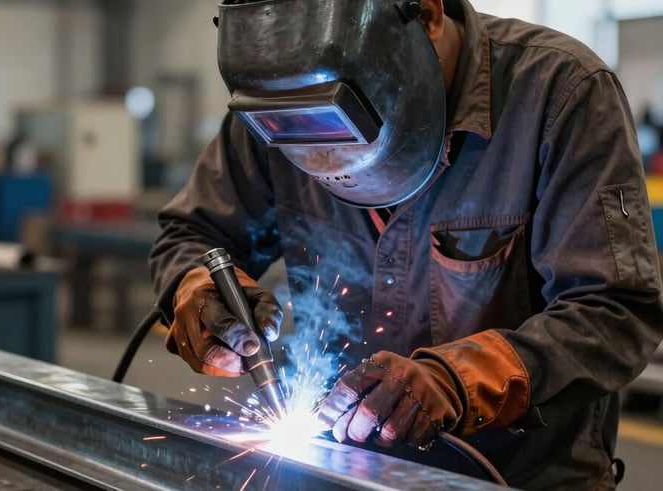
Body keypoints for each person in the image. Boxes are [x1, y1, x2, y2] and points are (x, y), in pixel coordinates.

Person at [147, 0, 663, 489]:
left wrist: (455, 380)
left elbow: (612, 310)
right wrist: (201, 292)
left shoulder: (562, 93)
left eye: (343, 123)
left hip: (514, 479)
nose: (329, 161)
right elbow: (194, 233)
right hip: (341, 472)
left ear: (428, 15)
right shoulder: (273, 107)